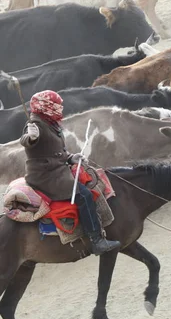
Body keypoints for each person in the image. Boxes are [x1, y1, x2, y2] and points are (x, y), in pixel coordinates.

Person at [19, 90, 121, 255]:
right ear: (46, 107)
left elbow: (55, 151)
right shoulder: (35, 125)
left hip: (57, 170)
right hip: (46, 176)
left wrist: (71, 157)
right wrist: (31, 137)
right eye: (56, 106)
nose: (60, 109)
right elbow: (27, 141)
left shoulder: (49, 122)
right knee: (84, 195)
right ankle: (97, 241)